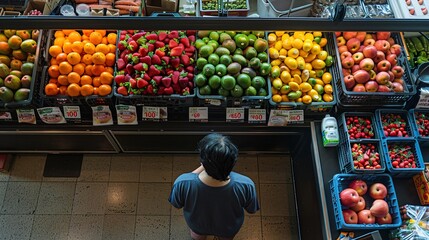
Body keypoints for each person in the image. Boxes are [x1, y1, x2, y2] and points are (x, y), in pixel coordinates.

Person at [169, 133, 260, 240]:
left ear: (202, 161)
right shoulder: (246, 184)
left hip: (198, 226)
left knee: (197, 237)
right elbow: (251, 209)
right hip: (228, 228)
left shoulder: (183, 182)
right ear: (233, 162)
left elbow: (177, 204)